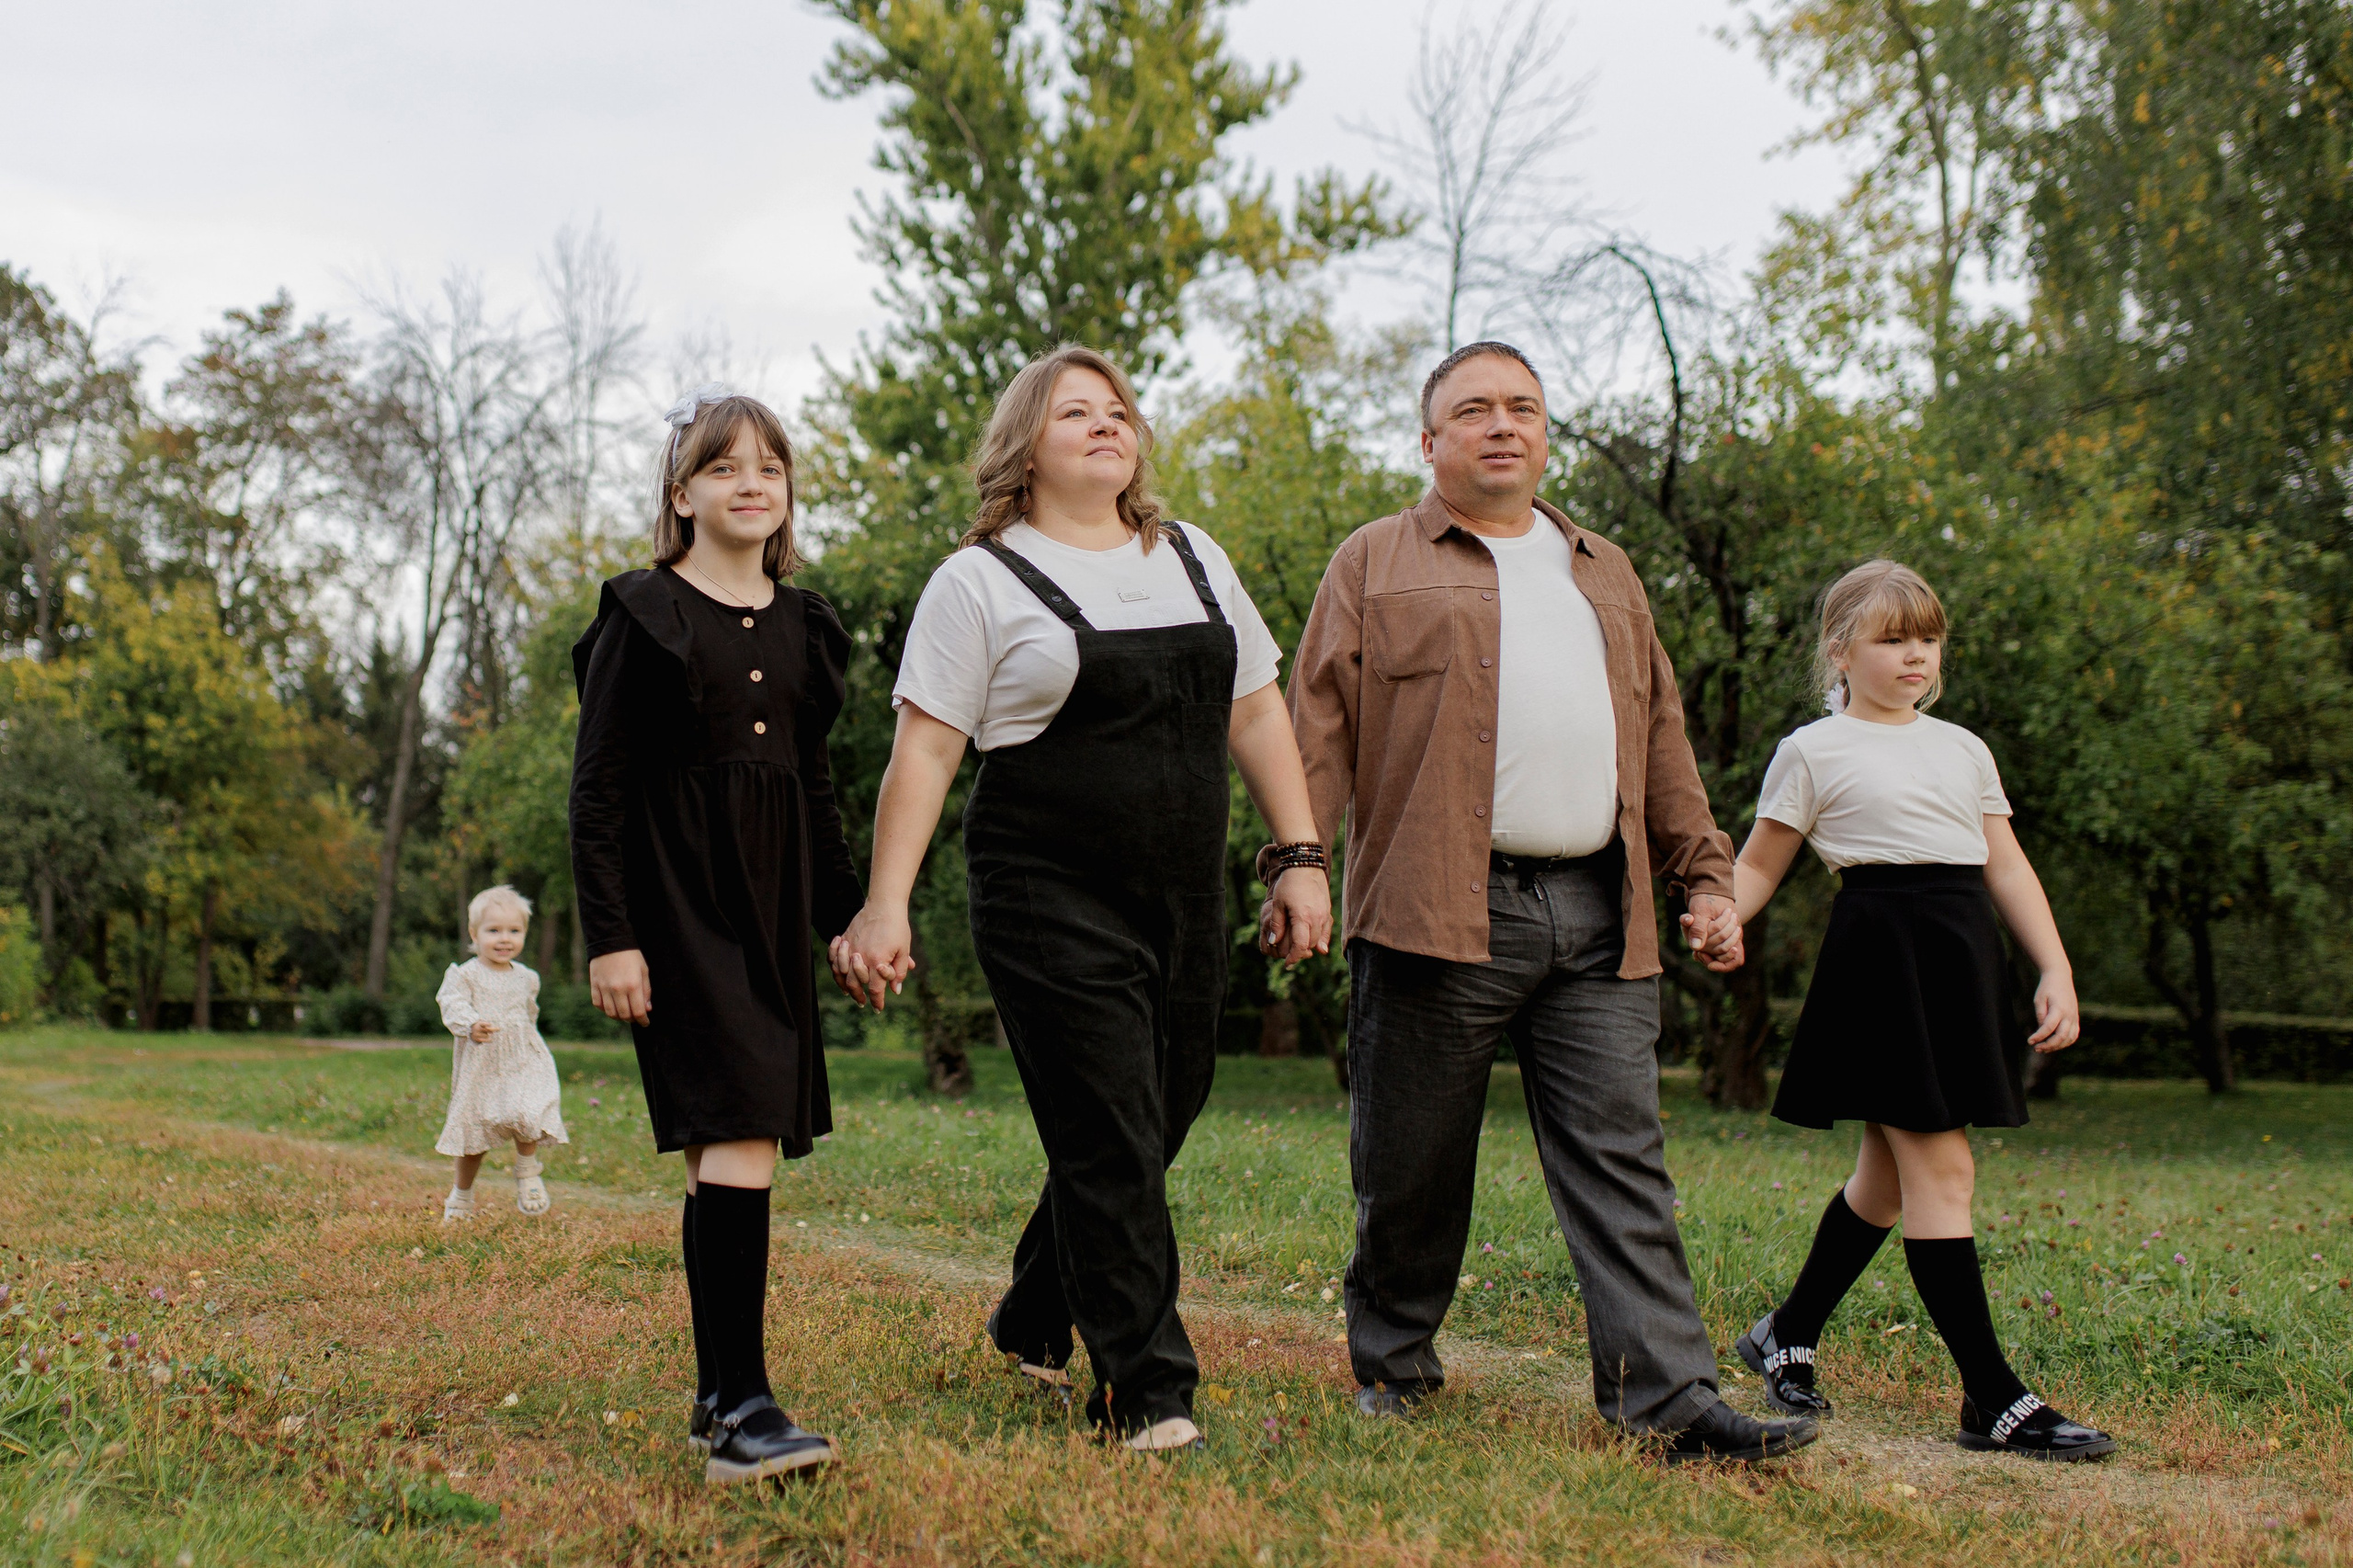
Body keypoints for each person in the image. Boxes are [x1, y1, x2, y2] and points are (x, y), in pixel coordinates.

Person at [1288, 340, 1815, 1463]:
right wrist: (1299, 861)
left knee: (1622, 1157)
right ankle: (1396, 1363)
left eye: (1521, 407)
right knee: (1412, 1160)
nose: (1500, 425)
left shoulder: (1605, 569)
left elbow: (1660, 732)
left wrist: (1706, 873)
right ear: (1428, 442)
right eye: (1471, 410)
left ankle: (1667, 1399)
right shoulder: (1374, 561)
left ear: (1544, 434)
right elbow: (1315, 729)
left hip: (1598, 909)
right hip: (1438, 908)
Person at [829, 344, 1332, 1453]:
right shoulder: (980, 579)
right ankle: (1146, 1388)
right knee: (1110, 1129)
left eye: (1118, 410)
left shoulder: (1195, 557)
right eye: (1074, 412)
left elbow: (1255, 711)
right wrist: (885, 905)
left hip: (1181, 893)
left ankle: (1029, 1311)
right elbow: (924, 754)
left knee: (1163, 1109)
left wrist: (1297, 853)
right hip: (1043, 891)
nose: (1106, 425)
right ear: (1024, 446)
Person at [1728, 559, 2115, 1461]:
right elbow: (1758, 864)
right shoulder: (1812, 748)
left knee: (1887, 1178)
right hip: (1879, 963)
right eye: (1892, 638)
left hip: (1957, 958)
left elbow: (2005, 865)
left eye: (1927, 638)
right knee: (1943, 1170)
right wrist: (1720, 917)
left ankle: (1783, 1332)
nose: (1915, 655)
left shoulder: (1961, 746)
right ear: (1840, 650)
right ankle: (1994, 1396)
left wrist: (2051, 964)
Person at [570, 385, 863, 1485]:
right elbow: (595, 792)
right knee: (738, 1125)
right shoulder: (641, 613)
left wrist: (848, 920)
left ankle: (712, 1399)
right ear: (682, 492)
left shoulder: (807, 625)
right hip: (676, 910)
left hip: (773, 914)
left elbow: (814, 787)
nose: (751, 484)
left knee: (724, 1149)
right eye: (726, 467)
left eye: (770, 469)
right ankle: (746, 1405)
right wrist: (613, 935)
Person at [435, 884, 567, 1221]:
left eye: (514, 930)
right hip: (484, 1061)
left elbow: (529, 1015)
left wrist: (531, 1045)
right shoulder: (465, 975)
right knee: (473, 1133)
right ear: (474, 933)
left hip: (522, 1057)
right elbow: (451, 1004)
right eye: (494, 931)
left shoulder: (527, 977)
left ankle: (527, 1171)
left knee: (529, 1112)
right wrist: (470, 1024)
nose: (504, 938)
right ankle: (461, 1196)